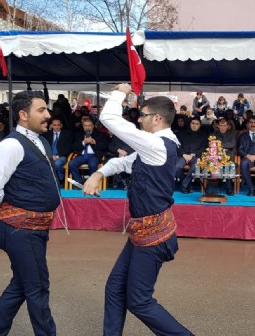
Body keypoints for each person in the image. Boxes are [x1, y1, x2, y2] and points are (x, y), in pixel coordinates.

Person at [83, 83, 193, 336]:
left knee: (139, 301)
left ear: (156, 118)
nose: (138, 119)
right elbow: (123, 162)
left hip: (153, 234)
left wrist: (122, 91)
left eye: (141, 115)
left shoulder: (157, 145)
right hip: (142, 232)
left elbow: (108, 117)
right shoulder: (155, 145)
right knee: (114, 288)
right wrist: (98, 174)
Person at [0, 90, 60, 336]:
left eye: (47, 109)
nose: (48, 114)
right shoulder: (11, 145)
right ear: (23, 115)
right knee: (37, 288)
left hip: (31, 230)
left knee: (21, 285)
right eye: (41, 110)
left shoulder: (41, 140)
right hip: (21, 230)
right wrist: (13, 208)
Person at [68, 119, 109, 185]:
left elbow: (106, 146)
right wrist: (84, 142)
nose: (87, 127)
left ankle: (91, 183)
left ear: (93, 126)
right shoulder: (79, 134)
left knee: (92, 165)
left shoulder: (100, 134)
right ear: (83, 127)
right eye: (85, 126)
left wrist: (94, 142)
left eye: (89, 125)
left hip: (94, 156)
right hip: (82, 156)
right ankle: (79, 182)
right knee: (71, 164)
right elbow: (74, 146)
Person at [176, 117, 208, 193]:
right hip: (183, 156)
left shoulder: (204, 135)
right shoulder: (181, 134)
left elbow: (204, 149)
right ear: (190, 124)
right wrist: (184, 154)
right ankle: (188, 183)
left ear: (200, 125)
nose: (194, 125)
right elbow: (178, 146)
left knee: (195, 167)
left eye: (197, 124)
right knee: (176, 167)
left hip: (196, 156)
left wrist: (192, 155)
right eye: (193, 123)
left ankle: (184, 184)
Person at [43, 118, 74, 187]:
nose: (56, 127)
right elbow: (44, 146)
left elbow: (69, 147)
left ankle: (60, 179)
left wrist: (58, 156)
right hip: (49, 155)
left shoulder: (67, 134)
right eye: (54, 125)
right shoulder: (47, 134)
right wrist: (50, 155)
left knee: (57, 163)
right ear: (51, 126)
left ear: (61, 126)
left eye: (58, 125)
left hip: (62, 156)